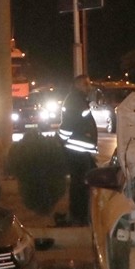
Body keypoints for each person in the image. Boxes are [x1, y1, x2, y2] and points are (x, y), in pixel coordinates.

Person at [58, 74, 98, 226]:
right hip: (76, 150)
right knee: (79, 185)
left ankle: (79, 216)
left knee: (82, 183)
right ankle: (78, 217)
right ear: (77, 85)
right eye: (86, 84)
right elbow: (68, 125)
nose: (89, 87)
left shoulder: (78, 100)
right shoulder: (75, 101)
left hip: (80, 149)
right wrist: (61, 139)